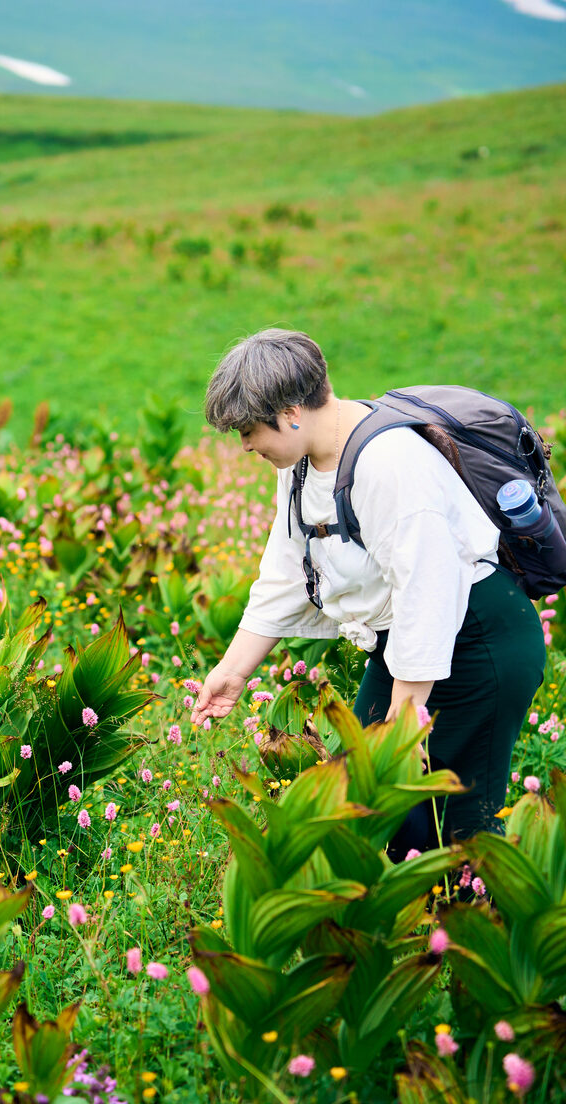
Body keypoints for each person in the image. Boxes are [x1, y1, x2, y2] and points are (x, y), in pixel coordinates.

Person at [191, 328, 545, 859]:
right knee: (381, 806)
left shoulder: (390, 463)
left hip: (479, 642)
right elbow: (289, 570)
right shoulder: (303, 459)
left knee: (459, 824)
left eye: (247, 429)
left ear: (290, 412)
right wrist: (234, 670)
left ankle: (485, 929)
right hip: (405, 647)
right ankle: (419, 927)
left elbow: (429, 594)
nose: (244, 445)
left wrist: (404, 726)